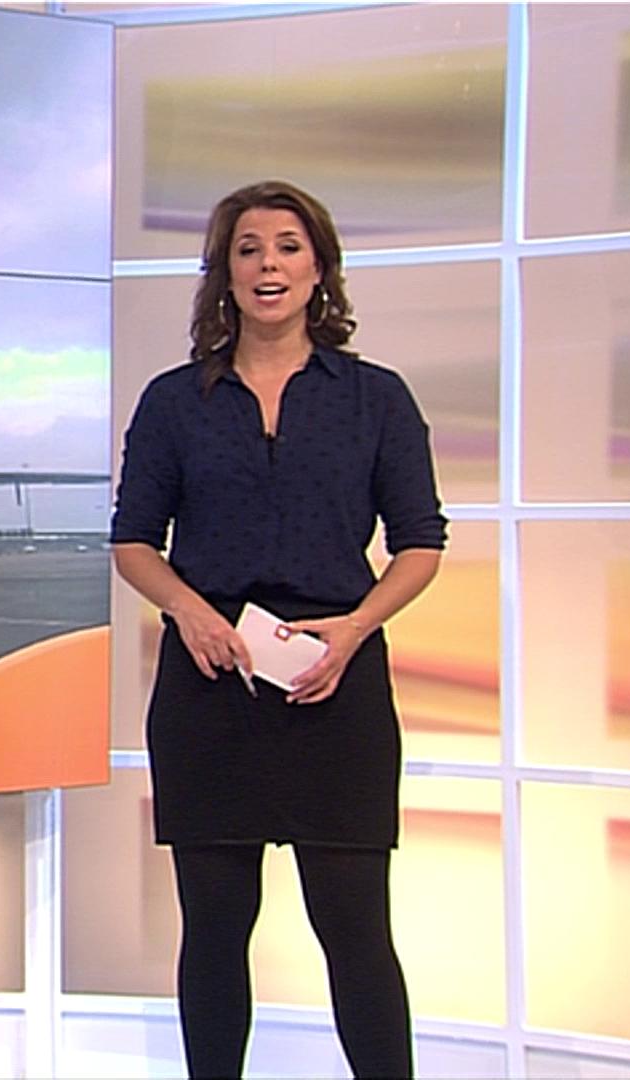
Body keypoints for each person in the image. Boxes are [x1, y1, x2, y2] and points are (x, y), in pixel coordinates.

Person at [109, 180, 447, 1079]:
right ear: (224, 271)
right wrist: (189, 611)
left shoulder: (375, 398)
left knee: (356, 930)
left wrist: (357, 628)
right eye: (248, 248)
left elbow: (420, 544)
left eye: (289, 247)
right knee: (215, 931)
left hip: (334, 685)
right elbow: (134, 541)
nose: (269, 265)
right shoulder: (175, 401)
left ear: (320, 268)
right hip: (209, 688)